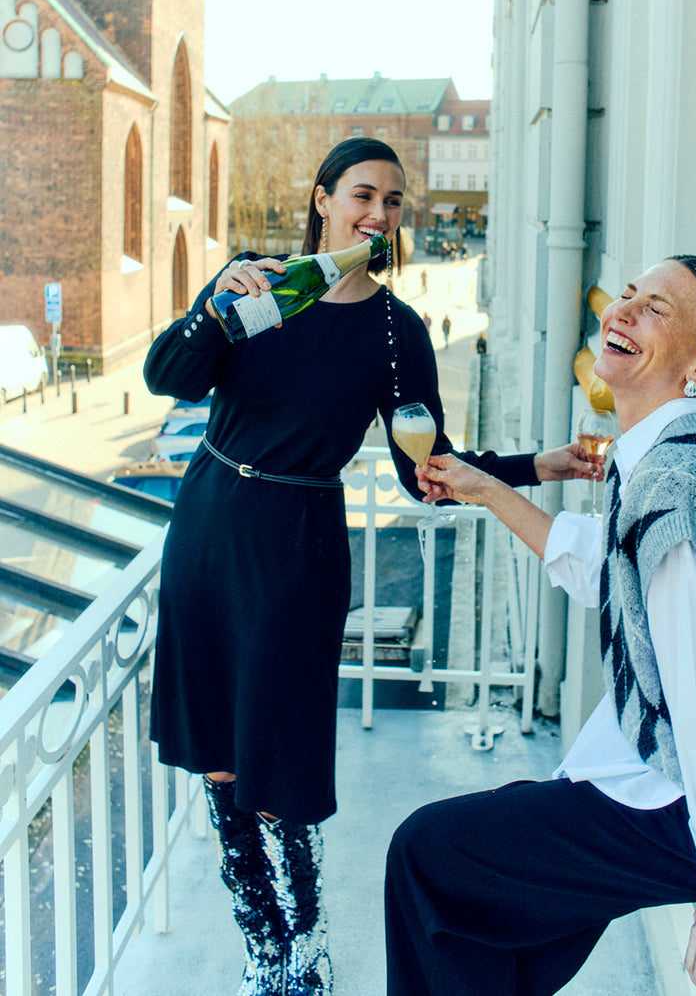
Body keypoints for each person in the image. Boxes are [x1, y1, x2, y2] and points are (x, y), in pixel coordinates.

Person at [144, 136, 592, 996]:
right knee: (220, 755)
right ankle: (260, 941)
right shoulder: (257, 283)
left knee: (281, 753)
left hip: (297, 543)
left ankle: (307, 943)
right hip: (207, 527)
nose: (378, 215)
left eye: (393, 202)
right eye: (362, 195)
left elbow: (427, 472)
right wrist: (213, 306)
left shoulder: (395, 329)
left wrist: (539, 465)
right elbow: (171, 377)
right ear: (322, 200)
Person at [385, 255, 696, 996]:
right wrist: (486, 488)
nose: (621, 313)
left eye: (655, 308)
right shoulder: (690, 446)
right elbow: (611, 568)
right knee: (495, 918)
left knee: (430, 857)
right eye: (627, 295)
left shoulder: (674, 487)